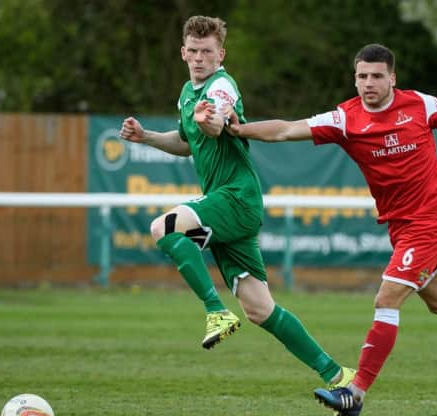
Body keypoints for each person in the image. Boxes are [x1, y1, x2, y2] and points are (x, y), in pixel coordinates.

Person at [201, 43, 437, 416]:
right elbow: (286, 130)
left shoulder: (421, 105)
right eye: (362, 76)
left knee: (387, 298)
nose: (368, 83)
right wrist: (241, 129)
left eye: (377, 76)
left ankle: (354, 392)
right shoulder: (347, 118)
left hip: (431, 218)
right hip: (400, 225)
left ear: (392, 78)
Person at [119, 15, 354, 393]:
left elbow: (216, 120)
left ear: (220, 54)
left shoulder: (222, 85)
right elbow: (186, 141)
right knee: (261, 309)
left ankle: (215, 311)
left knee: (162, 227)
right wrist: (145, 136)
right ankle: (339, 376)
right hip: (228, 205)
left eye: (207, 52)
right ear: (183, 52)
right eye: (193, 51)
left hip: (236, 196)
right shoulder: (186, 93)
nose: (199, 58)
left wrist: (211, 118)